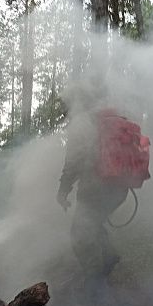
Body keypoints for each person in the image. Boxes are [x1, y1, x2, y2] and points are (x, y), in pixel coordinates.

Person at [57, 108, 129, 288]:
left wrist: (62, 192)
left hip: (94, 191)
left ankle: (93, 283)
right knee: (94, 223)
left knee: (79, 235)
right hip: (121, 190)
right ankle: (109, 258)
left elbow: (72, 163)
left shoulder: (82, 128)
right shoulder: (103, 125)